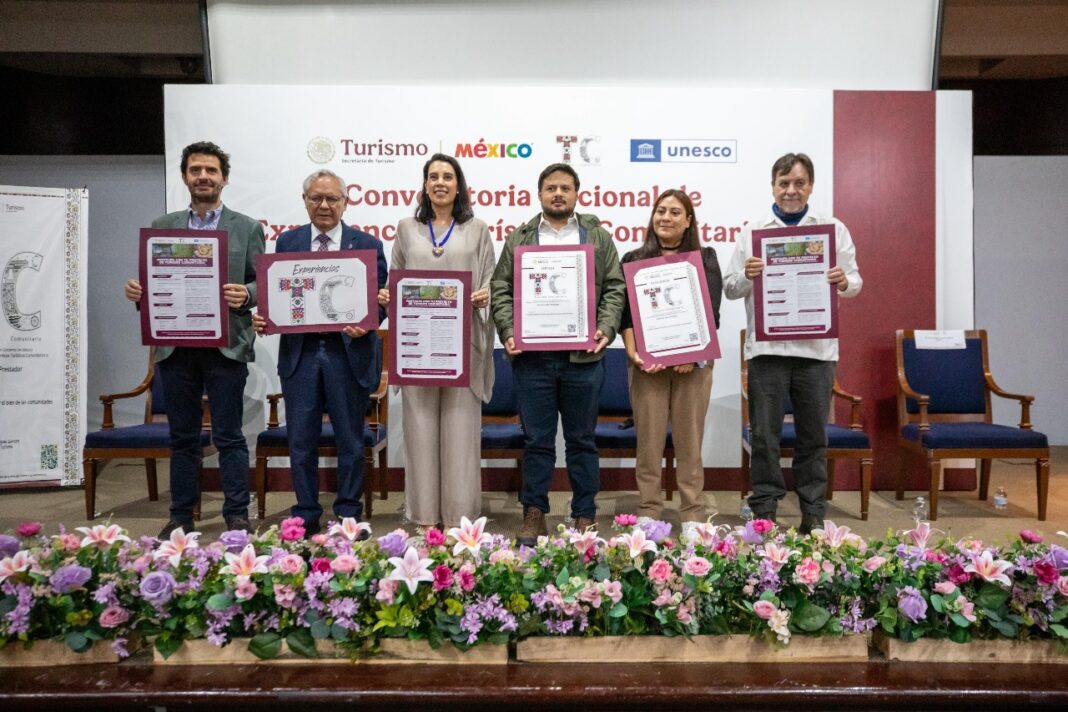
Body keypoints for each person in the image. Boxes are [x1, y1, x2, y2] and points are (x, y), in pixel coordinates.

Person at [124, 141, 264, 538]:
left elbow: (262, 282)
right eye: (196, 170)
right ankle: (180, 516)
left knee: (229, 436)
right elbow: (152, 283)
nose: (203, 176)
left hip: (226, 347)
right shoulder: (162, 225)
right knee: (182, 437)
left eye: (211, 170)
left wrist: (247, 294)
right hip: (176, 348)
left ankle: (236, 514)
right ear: (185, 177)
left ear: (224, 179)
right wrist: (139, 292)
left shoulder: (247, 227)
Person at [723, 152, 862, 534]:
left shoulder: (832, 229)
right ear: (773, 186)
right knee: (764, 437)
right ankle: (765, 511)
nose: (791, 190)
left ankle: (813, 512)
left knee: (813, 437)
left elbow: (855, 282)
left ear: (810, 186)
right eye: (784, 183)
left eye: (799, 183)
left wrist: (843, 281)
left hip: (816, 352)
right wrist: (748, 275)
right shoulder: (753, 232)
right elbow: (731, 288)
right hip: (767, 352)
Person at [490, 163, 626, 546]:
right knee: (537, 442)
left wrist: (606, 327)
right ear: (539, 194)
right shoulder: (519, 238)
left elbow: (615, 287)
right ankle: (534, 512)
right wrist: (509, 331)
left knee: (582, 441)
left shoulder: (597, 236)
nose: (558, 194)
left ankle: (584, 513)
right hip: (533, 361)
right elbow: (500, 288)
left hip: (584, 359)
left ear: (577, 194)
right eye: (551, 188)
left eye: (565, 188)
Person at [255, 169, 387, 536]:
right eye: (316, 198)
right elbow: (278, 293)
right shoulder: (288, 242)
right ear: (305, 201)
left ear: (345, 202)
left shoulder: (367, 244)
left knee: (350, 440)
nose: (324, 205)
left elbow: (380, 299)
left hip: (349, 354)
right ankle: (306, 513)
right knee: (301, 441)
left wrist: (370, 321)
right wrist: (265, 316)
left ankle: (348, 514)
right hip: (301, 354)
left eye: (332, 198)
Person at [377, 154, 495, 528]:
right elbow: (395, 278)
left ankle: (461, 520)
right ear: (425, 185)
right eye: (433, 177)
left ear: (459, 186)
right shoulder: (406, 228)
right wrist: (387, 296)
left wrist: (486, 296)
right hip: (418, 349)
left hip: (463, 348)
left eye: (447, 176)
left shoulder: (477, 229)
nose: (440, 182)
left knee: (461, 435)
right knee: (420, 432)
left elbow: (491, 282)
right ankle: (425, 518)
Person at [620, 190, 722, 537]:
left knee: (689, 443)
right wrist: (634, 353)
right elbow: (626, 315)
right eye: (660, 211)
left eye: (675, 212)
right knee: (648, 444)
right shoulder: (634, 258)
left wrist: (689, 354)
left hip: (692, 367)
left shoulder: (705, 257)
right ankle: (649, 509)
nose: (665, 217)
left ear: (688, 220)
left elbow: (712, 312)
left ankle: (692, 512)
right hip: (647, 367)